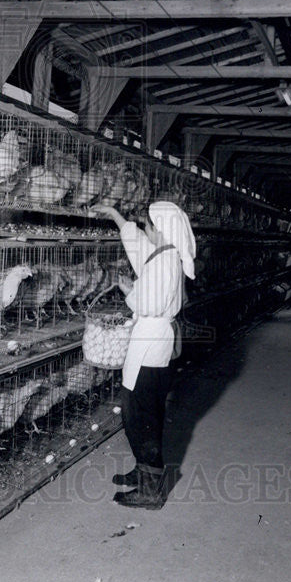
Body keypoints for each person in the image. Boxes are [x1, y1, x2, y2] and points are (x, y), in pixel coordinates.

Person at [90, 200, 196, 510]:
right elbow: (139, 247)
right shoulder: (165, 255)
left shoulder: (164, 263)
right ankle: (144, 469)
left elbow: (145, 303)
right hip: (154, 344)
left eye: (148, 225)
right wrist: (114, 216)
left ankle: (151, 490)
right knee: (142, 411)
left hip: (151, 345)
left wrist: (129, 293)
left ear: (161, 230)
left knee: (140, 415)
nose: (145, 229)